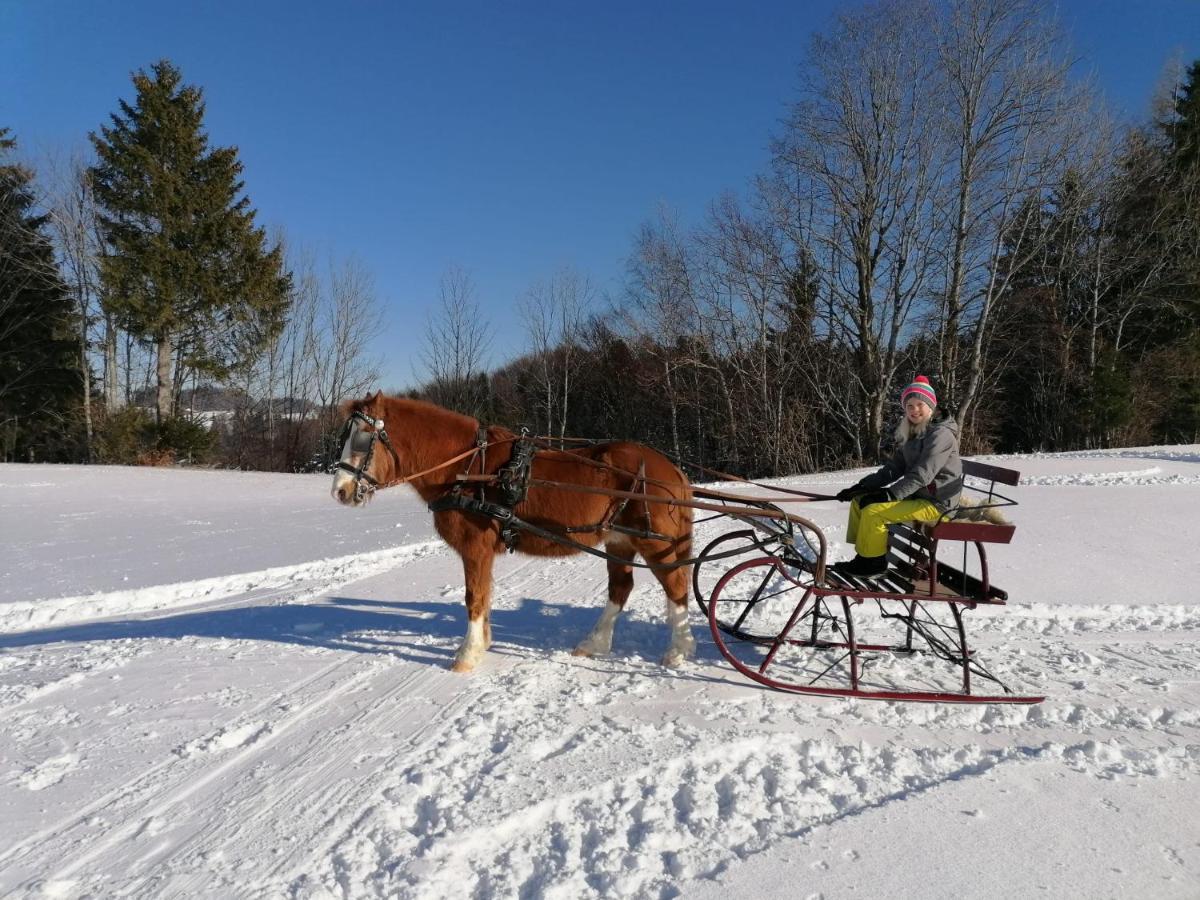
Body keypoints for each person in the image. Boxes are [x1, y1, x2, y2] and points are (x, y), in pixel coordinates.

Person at [833, 376, 963, 578]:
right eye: (909, 405)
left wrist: (890, 495)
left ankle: (874, 565)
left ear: (931, 406)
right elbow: (894, 468)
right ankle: (864, 557)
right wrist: (862, 486)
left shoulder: (941, 435)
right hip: (920, 497)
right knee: (860, 503)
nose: (914, 410)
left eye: (920, 404)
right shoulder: (913, 432)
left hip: (938, 504)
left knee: (875, 512)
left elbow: (923, 474)